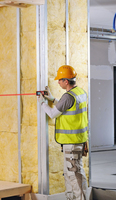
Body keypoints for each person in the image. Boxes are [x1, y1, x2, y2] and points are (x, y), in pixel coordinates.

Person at [37, 65, 88, 200]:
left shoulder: (68, 96)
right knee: (72, 172)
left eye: (59, 80)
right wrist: (52, 99)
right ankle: (72, 198)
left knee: (73, 174)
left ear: (66, 81)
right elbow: (66, 107)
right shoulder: (80, 92)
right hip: (78, 140)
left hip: (71, 143)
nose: (58, 82)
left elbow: (54, 113)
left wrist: (42, 103)